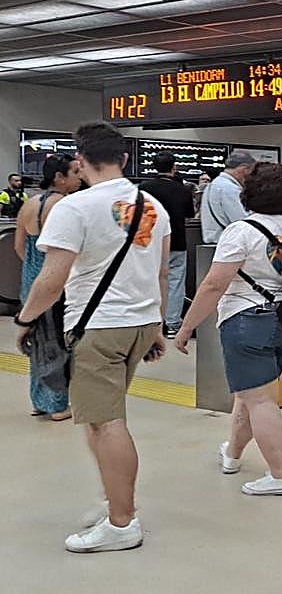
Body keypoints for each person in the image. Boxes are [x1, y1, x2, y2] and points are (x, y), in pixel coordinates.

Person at [14, 121, 170, 553]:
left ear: (80, 163)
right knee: (100, 418)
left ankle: (122, 524)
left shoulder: (75, 208)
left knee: (107, 422)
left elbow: (52, 277)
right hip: (139, 324)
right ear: (123, 159)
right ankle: (113, 500)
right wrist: (156, 324)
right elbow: (159, 272)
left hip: (99, 327)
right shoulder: (153, 205)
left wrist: (25, 319)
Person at [173, 163, 282, 498]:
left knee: (259, 400)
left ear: (248, 194)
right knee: (253, 393)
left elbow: (213, 285)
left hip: (248, 322)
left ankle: (280, 475)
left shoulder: (240, 232)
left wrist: (186, 328)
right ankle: (232, 454)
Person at [13, 152, 82, 421]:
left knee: (37, 343)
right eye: (75, 173)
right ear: (59, 177)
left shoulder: (28, 205)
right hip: (58, 283)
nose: (79, 178)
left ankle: (38, 400)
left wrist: (35, 271)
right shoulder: (65, 206)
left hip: (30, 281)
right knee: (59, 344)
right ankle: (57, 404)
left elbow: (19, 246)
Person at [139, 152, 196, 339]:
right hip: (177, 240)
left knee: (149, 280)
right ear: (174, 167)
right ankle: (172, 324)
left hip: (150, 242)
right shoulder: (182, 190)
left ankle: (149, 322)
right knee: (176, 282)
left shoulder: (144, 188)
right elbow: (189, 213)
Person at [201, 150, 256, 243]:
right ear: (244, 168)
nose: (249, 178)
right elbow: (242, 221)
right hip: (229, 243)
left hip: (215, 242)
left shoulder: (213, 185)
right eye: (250, 173)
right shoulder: (230, 189)